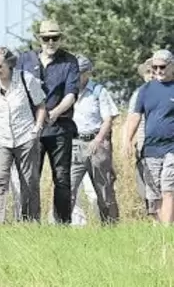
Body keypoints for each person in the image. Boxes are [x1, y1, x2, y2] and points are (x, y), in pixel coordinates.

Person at [16, 20, 80, 224]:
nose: (51, 42)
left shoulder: (69, 61)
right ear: (39, 39)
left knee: (61, 178)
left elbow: (71, 93)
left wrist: (53, 113)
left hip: (59, 126)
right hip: (30, 129)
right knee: (29, 178)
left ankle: (62, 223)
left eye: (55, 38)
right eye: (46, 38)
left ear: (61, 38)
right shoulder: (24, 60)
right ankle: (29, 222)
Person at [0, 46, 46, 223]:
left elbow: (40, 105)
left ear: (9, 64)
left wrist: (37, 129)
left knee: (29, 182)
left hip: (25, 136)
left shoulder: (26, 79)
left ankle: (30, 221)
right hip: (0, 138)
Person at [124, 49, 174, 224]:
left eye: (162, 67)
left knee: (169, 188)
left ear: (171, 66)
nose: (158, 71)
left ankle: (167, 230)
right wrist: (128, 140)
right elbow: (135, 115)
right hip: (151, 149)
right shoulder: (145, 90)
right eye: (155, 67)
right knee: (155, 193)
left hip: (171, 148)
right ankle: (162, 231)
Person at [68, 55, 119, 224]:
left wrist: (98, 140)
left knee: (103, 189)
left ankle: (110, 225)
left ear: (87, 73)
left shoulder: (99, 91)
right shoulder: (67, 92)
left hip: (95, 142)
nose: (76, 76)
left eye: (79, 72)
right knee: (67, 187)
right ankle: (61, 225)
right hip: (74, 143)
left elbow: (108, 120)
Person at [124, 58, 155, 216]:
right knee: (145, 185)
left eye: (154, 71)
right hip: (143, 145)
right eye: (148, 72)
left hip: (165, 145)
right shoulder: (138, 94)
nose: (151, 75)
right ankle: (154, 218)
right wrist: (128, 140)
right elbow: (131, 118)